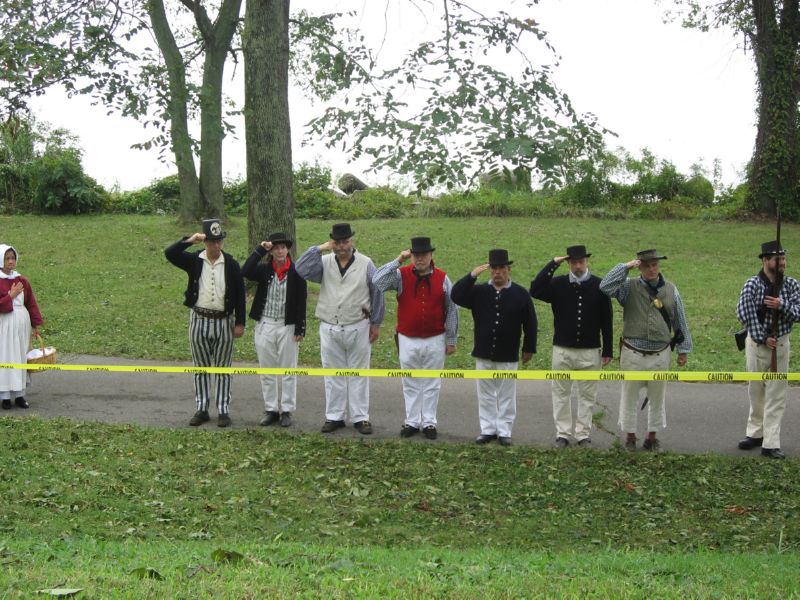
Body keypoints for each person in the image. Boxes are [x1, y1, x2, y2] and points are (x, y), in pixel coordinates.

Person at [295, 223, 385, 434]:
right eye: (338, 242)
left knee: (359, 373)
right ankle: (334, 416)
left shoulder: (366, 263)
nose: (342, 246)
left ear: (352, 241)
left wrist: (376, 323)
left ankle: (361, 417)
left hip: (358, 325)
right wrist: (319, 248)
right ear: (332, 243)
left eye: (345, 241)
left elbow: (377, 292)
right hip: (329, 326)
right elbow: (300, 269)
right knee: (332, 373)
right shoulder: (324, 262)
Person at [600, 249, 692, 451]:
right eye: (646, 265)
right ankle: (630, 437)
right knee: (629, 396)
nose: (651, 269)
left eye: (654, 265)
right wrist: (625, 267)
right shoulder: (628, 286)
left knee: (657, 398)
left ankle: (652, 437)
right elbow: (605, 286)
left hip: (660, 354)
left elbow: (680, 320)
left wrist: (683, 349)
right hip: (632, 353)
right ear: (639, 267)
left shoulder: (671, 289)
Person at [373, 236, 459, 439]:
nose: (420, 259)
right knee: (410, 381)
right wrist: (398, 260)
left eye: (424, 255)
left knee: (432, 383)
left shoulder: (443, 278)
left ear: (431, 255)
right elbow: (377, 281)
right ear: (411, 256)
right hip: (407, 338)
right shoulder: (400, 275)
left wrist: (451, 339)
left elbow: (451, 309)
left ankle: (429, 422)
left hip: (435, 338)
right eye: (416, 255)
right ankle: (412, 421)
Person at [451, 249, 536, 446]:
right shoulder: (479, 291)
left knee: (506, 395)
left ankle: (504, 430)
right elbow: (456, 295)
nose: (498, 272)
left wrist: (528, 348)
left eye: (502, 268)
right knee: (486, 395)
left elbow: (531, 323)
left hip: (508, 354)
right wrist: (472, 276)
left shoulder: (520, 294)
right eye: (494, 268)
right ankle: (488, 429)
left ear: (508, 269)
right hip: (484, 352)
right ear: (489, 270)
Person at [165, 219, 246, 428]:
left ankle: (223, 409)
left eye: (219, 241)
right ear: (204, 242)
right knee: (200, 366)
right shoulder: (194, 260)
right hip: (199, 318)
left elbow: (240, 295)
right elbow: (170, 253)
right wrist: (189, 241)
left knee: (223, 368)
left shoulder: (231, 264)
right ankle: (202, 408)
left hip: (223, 321)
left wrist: (240, 322)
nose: (216, 245)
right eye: (211, 241)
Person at [530, 245, 613, 448]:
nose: (578, 266)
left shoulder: (600, 285)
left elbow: (607, 320)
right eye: (574, 262)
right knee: (561, 394)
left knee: (587, 396)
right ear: (568, 263)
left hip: (590, 350)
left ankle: (583, 434)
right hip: (563, 349)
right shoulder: (557, 284)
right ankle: (563, 434)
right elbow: (535, 289)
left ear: (587, 262)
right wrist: (553, 264)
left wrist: (608, 349)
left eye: (581, 262)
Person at [735, 240, 800, 460]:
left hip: (780, 346)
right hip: (756, 345)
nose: (782, 262)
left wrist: (781, 305)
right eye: (777, 259)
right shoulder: (752, 284)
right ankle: (755, 434)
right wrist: (763, 337)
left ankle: (771, 443)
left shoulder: (791, 285)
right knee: (756, 391)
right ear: (765, 260)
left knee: (776, 395)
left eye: (784, 258)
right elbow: (744, 312)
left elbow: (799, 312)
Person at [242, 232, 308, 428]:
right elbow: (245, 270)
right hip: (266, 323)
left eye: (283, 247)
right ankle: (270, 409)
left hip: (287, 325)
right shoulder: (264, 270)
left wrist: (300, 327)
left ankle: (286, 409)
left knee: (288, 369)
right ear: (271, 251)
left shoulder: (297, 272)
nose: (280, 251)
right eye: (276, 248)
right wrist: (260, 249)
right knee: (267, 370)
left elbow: (302, 301)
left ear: (287, 250)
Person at [0, 244, 43, 410]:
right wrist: (10, 296)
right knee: (6, 357)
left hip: (21, 324)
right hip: (4, 324)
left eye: (13, 258)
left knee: (20, 356)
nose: (11, 261)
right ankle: (4, 396)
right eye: (7, 258)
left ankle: (19, 394)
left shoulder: (22, 280)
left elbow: (31, 302)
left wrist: (35, 324)